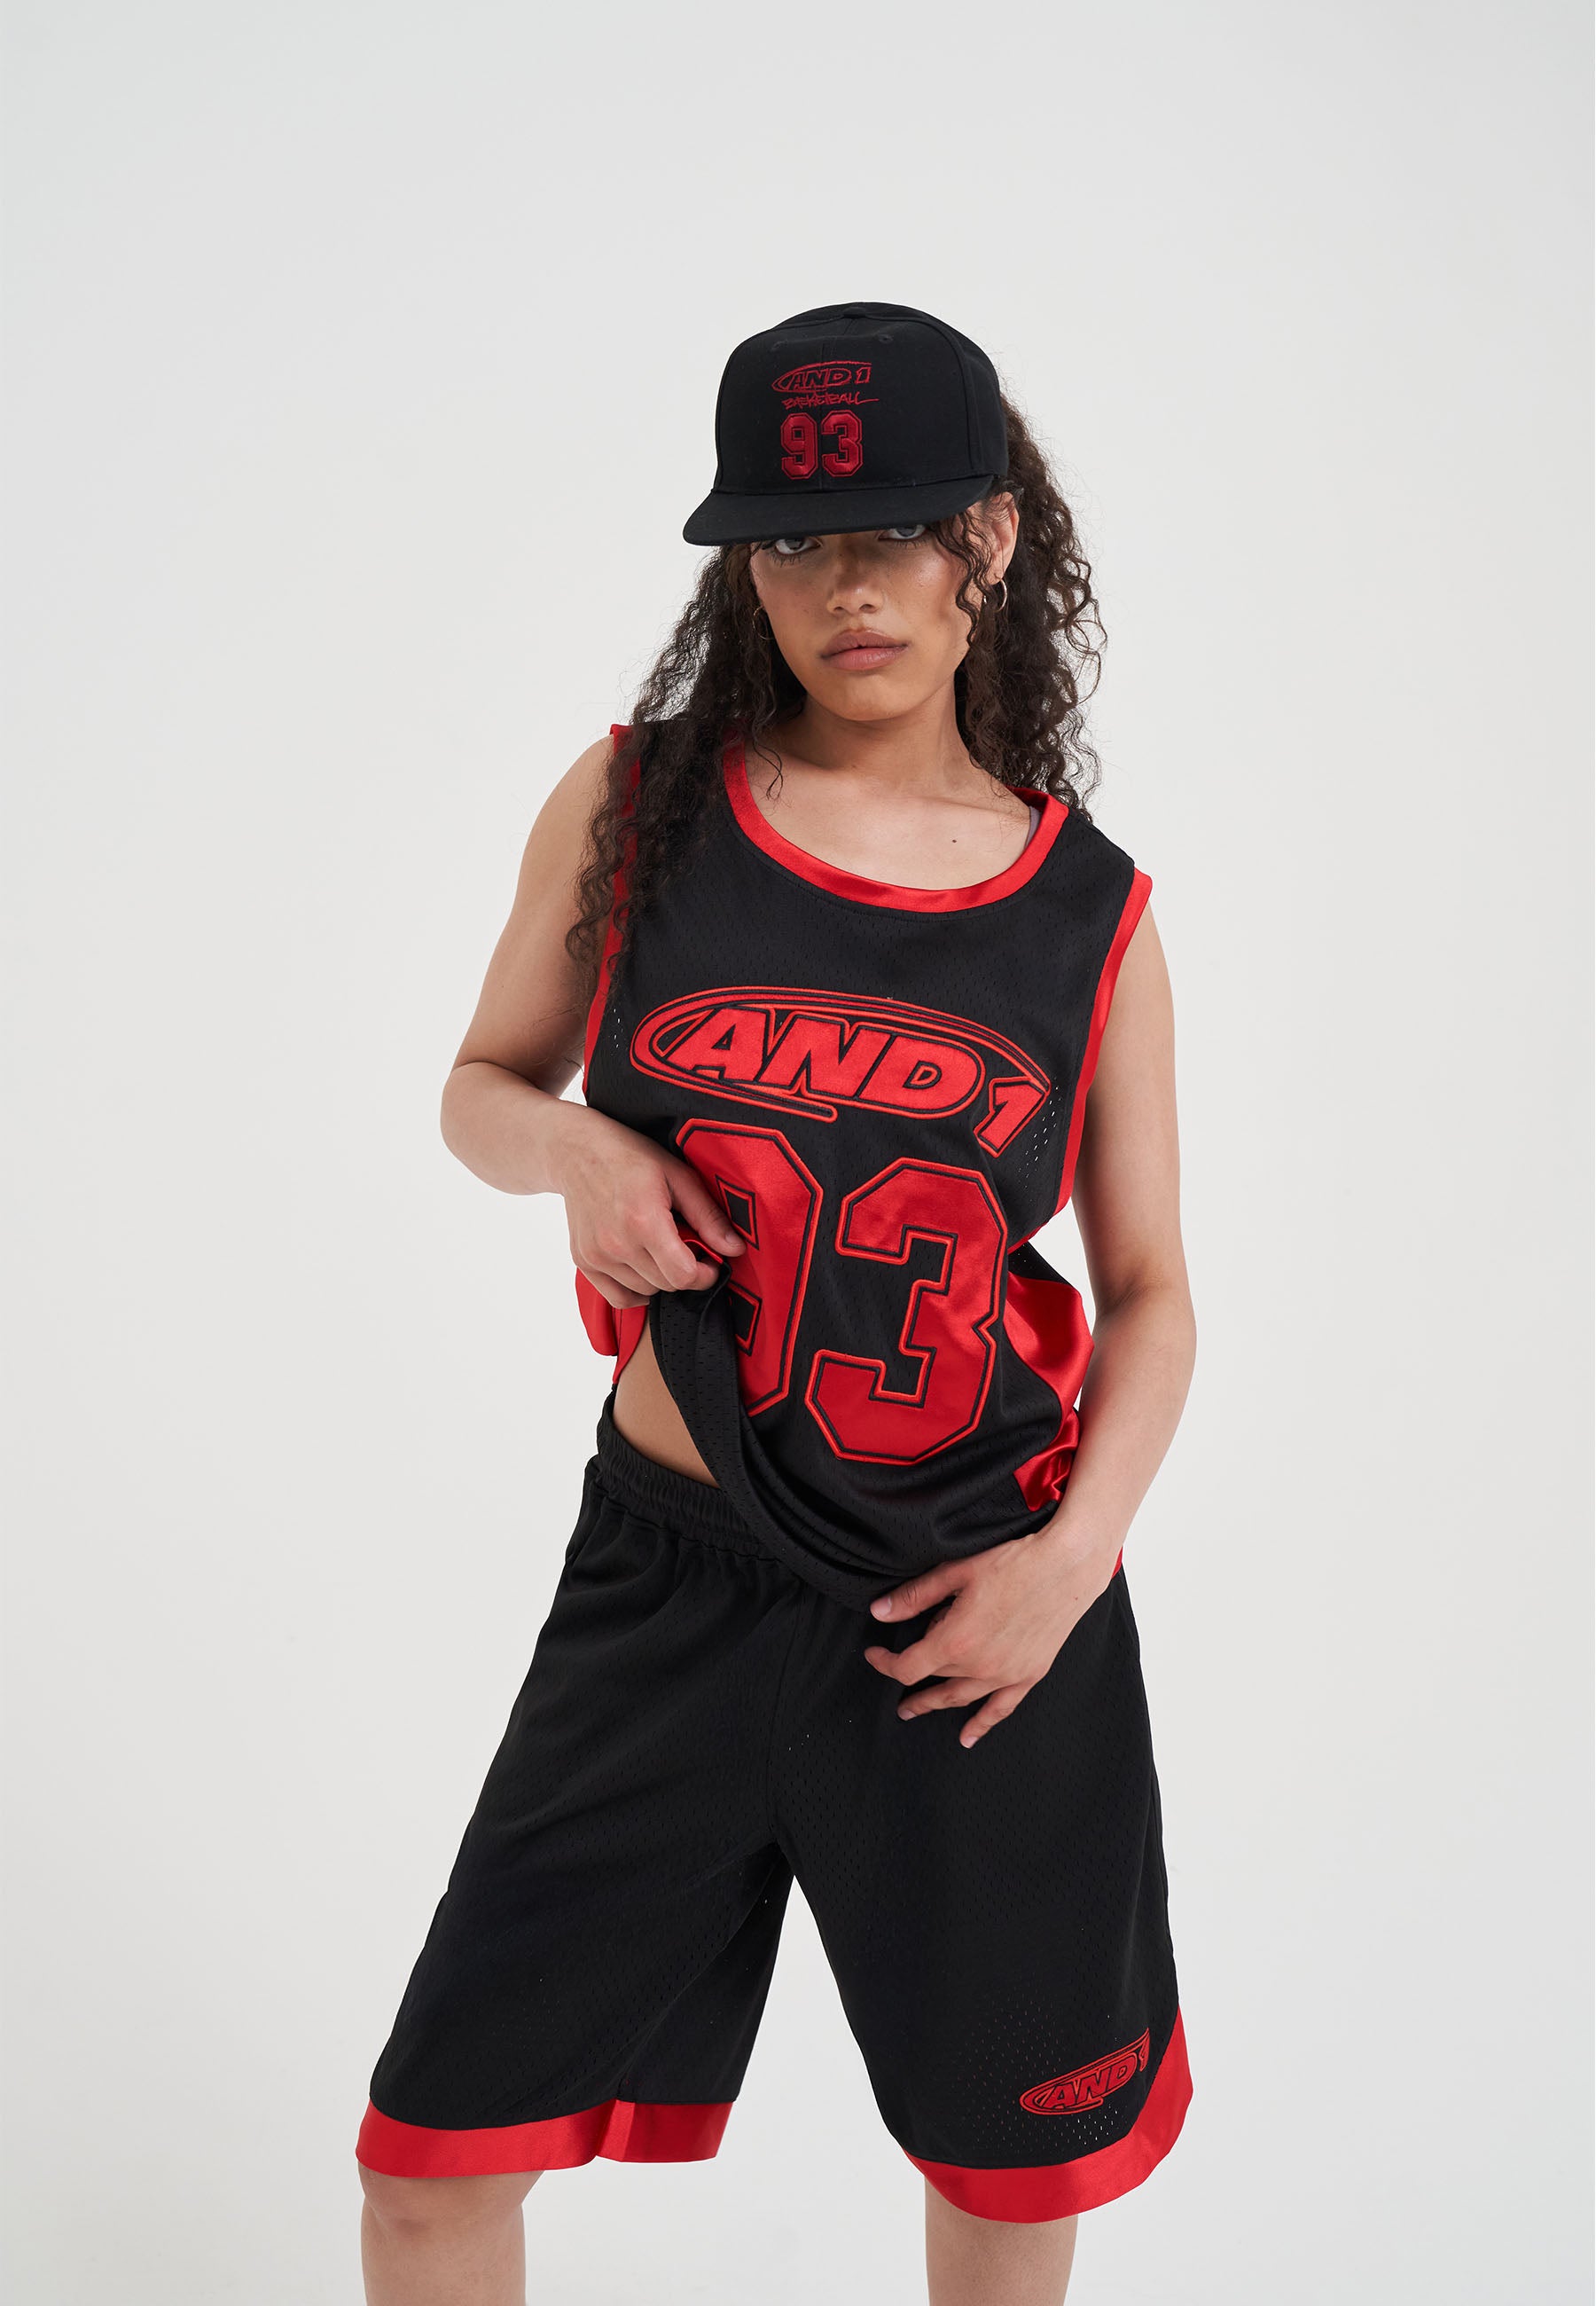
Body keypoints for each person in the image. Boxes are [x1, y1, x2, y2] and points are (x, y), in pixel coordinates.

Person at [353, 301, 1196, 2306]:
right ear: (745, 563)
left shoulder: (1091, 915)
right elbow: (479, 1092)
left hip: (973, 1612)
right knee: (430, 2163)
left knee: (1007, 2186)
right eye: (797, 541)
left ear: (991, 536)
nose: (849, 588)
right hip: (671, 1581)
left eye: (896, 531)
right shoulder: (637, 804)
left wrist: (1066, 1568)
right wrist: (578, 1156)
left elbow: (1157, 1294)